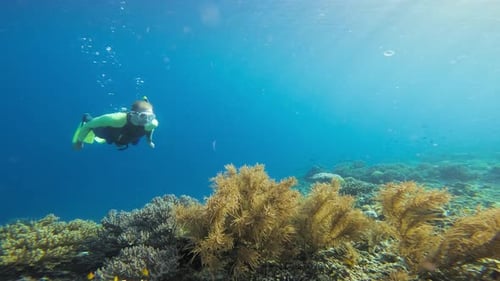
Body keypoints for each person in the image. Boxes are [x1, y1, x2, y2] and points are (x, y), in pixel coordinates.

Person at [72, 97, 159, 150]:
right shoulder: (114, 119)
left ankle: (121, 141)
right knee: (98, 132)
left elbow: (150, 129)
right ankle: (86, 117)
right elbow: (89, 125)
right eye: (143, 116)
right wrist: (79, 142)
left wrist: (149, 141)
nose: (148, 120)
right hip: (111, 131)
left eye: (151, 117)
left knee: (134, 142)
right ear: (133, 114)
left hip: (128, 136)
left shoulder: (152, 123)